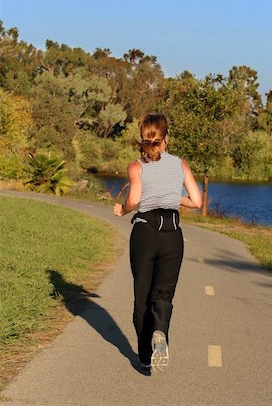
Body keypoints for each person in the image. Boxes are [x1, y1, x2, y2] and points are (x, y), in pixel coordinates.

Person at [113, 114, 202, 371]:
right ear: (166, 139)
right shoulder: (180, 164)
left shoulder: (136, 166)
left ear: (144, 138)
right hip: (172, 235)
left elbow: (135, 199)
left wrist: (122, 210)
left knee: (142, 295)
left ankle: (143, 356)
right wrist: (173, 196)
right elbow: (196, 201)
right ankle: (160, 331)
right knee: (163, 293)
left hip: (145, 233)